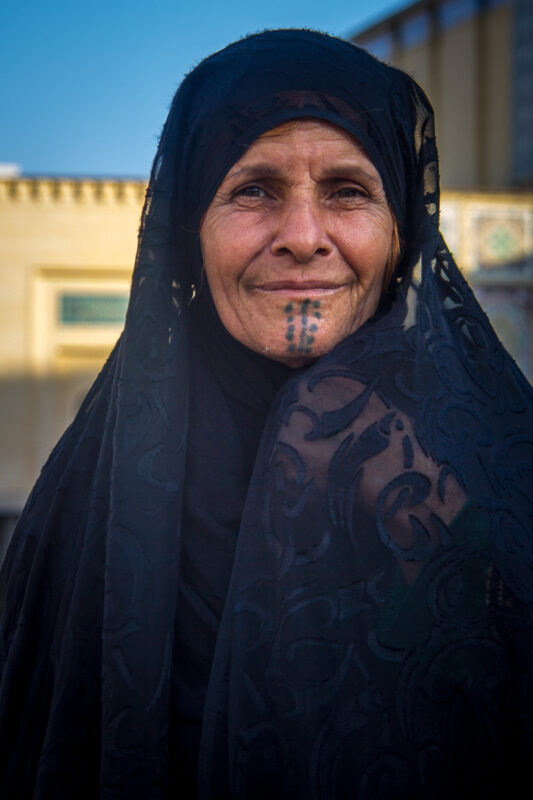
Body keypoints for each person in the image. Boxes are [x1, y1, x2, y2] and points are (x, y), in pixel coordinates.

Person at [0, 29, 531, 800]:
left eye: (348, 191)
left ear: (401, 234)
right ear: (188, 232)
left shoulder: (488, 464)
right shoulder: (101, 486)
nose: (303, 238)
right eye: (252, 190)